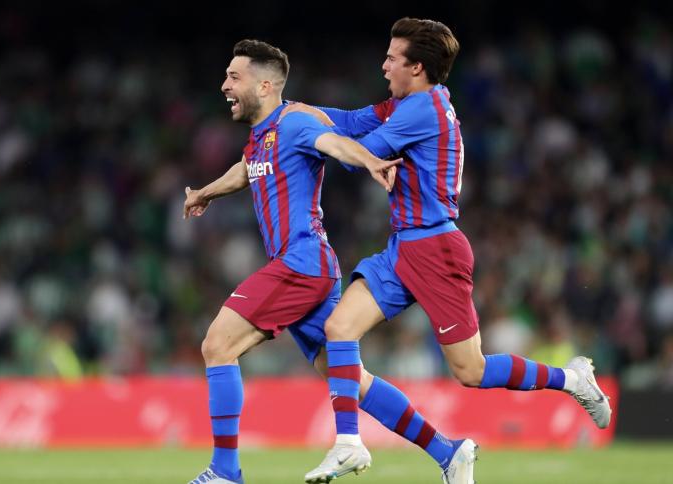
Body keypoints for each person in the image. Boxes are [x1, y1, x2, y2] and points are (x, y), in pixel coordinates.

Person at [284, 18, 613, 484]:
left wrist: (300, 134)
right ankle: (352, 443)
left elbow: (362, 153)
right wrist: (294, 111)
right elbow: (352, 121)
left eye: (392, 59)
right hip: (403, 247)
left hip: (436, 249)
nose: (384, 67)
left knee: (471, 371)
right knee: (339, 328)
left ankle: (572, 380)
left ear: (417, 68)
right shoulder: (407, 104)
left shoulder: (423, 108)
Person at [185, 39, 458, 484]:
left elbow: (333, 143)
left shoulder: (294, 123)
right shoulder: (262, 136)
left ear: (265, 85)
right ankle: (448, 451)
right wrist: (205, 193)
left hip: (300, 263)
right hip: (313, 268)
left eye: (234, 77)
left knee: (218, 344)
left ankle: (225, 471)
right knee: (349, 376)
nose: (224, 85)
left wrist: (369, 160)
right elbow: (246, 169)